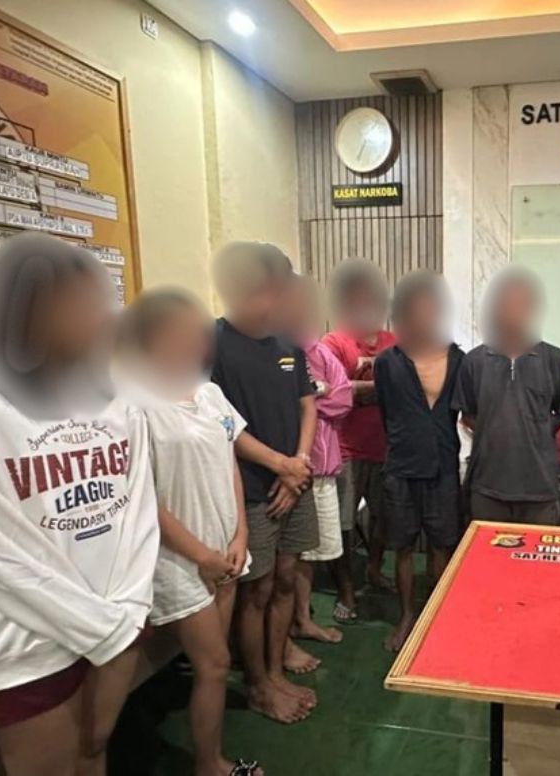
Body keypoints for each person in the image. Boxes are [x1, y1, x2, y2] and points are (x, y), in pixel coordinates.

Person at [0, 233, 159, 776]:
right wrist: (105, 630)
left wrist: (125, 618)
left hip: (114, 624)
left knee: (94, 757)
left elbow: (138, 516)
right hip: (20, 642)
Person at [115, 289, 262, 776]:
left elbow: (229, 462)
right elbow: (142, 495)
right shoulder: (133, 403)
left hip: (225, 547)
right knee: (213, 663)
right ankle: (209, 764)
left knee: (213, 665)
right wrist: (201, 554)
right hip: (178, 557)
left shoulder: (209, 392)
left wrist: (240, 534)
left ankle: (211, 755)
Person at [208, 241, 319, 724]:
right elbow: (218, 423)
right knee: (257, 589)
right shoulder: (212, 344)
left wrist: (298, 464)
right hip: (251, 487)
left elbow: (307, 406)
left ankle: (275, 670)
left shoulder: (287, 344)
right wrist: (279, 465)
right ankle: (258, 684)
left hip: (295, 481)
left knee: (288, 578)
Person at [374, 271, 464, 652]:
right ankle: (407, 615)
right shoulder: (386, 363)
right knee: (404, 546)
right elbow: (387, 413)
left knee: (443, 545)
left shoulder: (459, 359)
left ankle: (436, 616)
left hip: (443, 466)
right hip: (401, 468)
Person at [454, 266, 560, 524]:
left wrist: (537, 428)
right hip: (487, 485)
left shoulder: (554, 359)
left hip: (539, 488)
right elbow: (468, 414)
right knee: (486, 550)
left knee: (538, 550)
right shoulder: (474, 361)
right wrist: (495, 429)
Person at [322, 259, 396, 623]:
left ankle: (375, 570)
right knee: (344, 524)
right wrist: (381, 388)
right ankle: (347, 591)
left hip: (387, 449)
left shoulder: (394, 342)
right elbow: (336, 393)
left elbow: (409, 387)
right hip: (346, 450)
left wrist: (361, 389)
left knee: (384, 519)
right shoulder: (333, 343)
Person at [281, 275, 352, 646]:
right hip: (286, 467)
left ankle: (302, 618)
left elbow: (344, 399)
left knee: (310, 551)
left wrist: (310, 399)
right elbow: (279, 406)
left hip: (323, 467)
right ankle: (287, 628)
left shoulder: (319, 351)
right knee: (287, 555)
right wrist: (312, 395)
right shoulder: (275, 349)